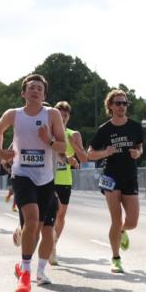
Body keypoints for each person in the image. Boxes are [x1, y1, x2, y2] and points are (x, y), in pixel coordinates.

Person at [0, 74, 66, 292]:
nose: (35, 91)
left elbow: (62, 147)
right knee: (32, 220)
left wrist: (49, 140)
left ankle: (41, 271)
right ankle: (25, 273)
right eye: (31, 88)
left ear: (44, 95)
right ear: (23, 93)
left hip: (46, 178)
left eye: (40, 89)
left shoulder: (51, 114)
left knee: (47, 229)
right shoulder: (13, 114)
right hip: (22, 173)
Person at [87, 90, 143, 274]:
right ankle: (116, 258)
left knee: (132, 222)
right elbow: (90, 153)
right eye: (117, 103)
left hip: (130, 176)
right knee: (116, 219)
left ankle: (121, 231)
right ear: (110, 106)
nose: (121, 106)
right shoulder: (105, 129)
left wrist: (138, 153)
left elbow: (139, 147)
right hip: (110, 176)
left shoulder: (135, 126)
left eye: (124, 103)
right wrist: (105, 153)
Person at [48, 101, 89, 265]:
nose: (62, 117)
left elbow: (84, 158)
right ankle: (50, 247)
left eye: (65, 115)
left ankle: (53, 244)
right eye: (59, 114)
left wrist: (74, 146)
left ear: (68, 117)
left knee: (60, 215)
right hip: (48, 178)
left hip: (64, 180)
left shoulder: (74, 134)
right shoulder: (48, 132)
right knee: (50, 214)